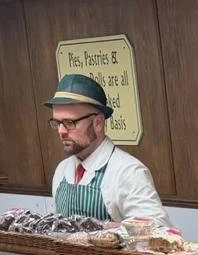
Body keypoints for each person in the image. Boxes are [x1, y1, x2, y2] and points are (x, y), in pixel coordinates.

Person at [45, 74, 168, 224]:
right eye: (57, 123)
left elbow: (158, 230)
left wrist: (106, 230)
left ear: (98, 123)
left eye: (69, 122)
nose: (61, 131)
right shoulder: (62, 170)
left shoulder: (128, 172)